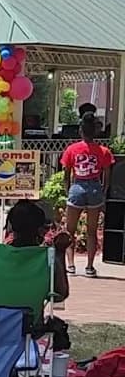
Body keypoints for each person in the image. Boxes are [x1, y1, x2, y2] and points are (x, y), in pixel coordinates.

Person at [61, 112, 114, 277]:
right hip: (94, 187)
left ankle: (70, 265)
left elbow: (66, 171)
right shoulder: (103, 151)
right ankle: (90, 267)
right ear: (95, 131)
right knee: (92, 231)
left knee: (70, 230)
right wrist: (104, 189)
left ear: (80, 131)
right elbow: (107, 172)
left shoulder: (72, 149)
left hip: (78, 185)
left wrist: (68, 188)